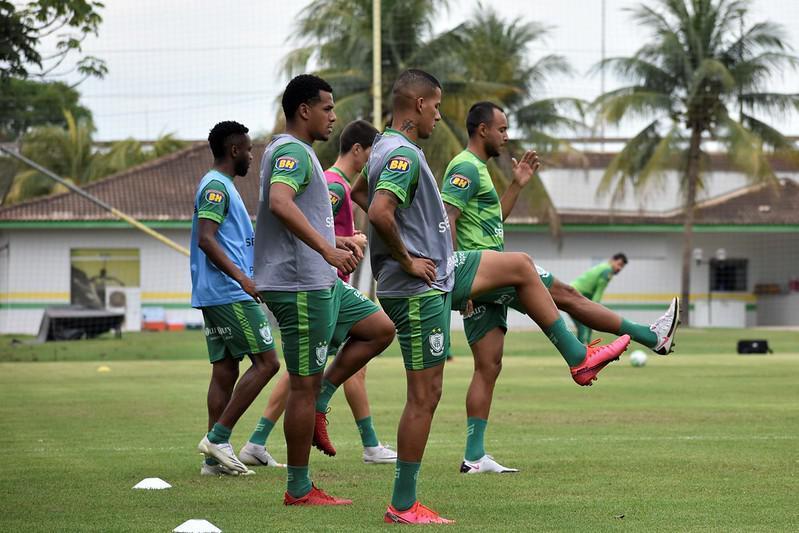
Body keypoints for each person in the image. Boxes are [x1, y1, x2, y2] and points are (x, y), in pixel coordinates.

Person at [353, 69, 631, 524]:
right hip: (420, 283)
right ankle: (402, 505)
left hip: (430, 274)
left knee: (519, 266)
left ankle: (579, 357)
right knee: (424, 396)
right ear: (419, 104)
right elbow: (381, 210)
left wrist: (408, 238)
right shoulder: (402, 153)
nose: (439, 115)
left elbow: (361, 191)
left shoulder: (382, 146)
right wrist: (408, 257)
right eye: (436, 105)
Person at [440, 102, 680, 474]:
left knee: (488, 366)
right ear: (482, 129)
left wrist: (517, 185)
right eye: (502, 129)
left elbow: (492, 221)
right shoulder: (465, 166)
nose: (507, 136)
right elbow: (447, 218)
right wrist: (461, 277)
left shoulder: (480, 169)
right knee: (567, 295)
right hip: (486, 272)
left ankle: (474, 457)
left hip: (485, 275)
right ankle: (649, 337)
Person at [254, 74, 395, 506]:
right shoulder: (293, 151)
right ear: (304, 110)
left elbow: (300, 214)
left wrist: (338, 241)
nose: (334, 117)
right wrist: (327, 250)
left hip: (320, 281)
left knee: (380, 329)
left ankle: (323, 398)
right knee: (302, 384)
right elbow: (280, 203)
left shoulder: (301, 153)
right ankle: (299, 488)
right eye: (328, 108)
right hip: (301, 286)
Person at [192, 121, 281, 476]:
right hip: (229, 292)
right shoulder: (216, 187)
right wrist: (243, 278)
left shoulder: (222, 185)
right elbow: (206, 238)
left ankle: (213, 462)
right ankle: (218, 438)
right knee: (268, 363)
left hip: (215, 292)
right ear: (234, 150)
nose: (251, 156)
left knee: (226, 370)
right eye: (247, 149)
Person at [570, 253, 632, 343]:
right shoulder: (607, 271)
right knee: (584, 326)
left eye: (622, 267)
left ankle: (585, 348)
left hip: (573, 293)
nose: (619, 268)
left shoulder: (603, 266)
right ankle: (583, 350)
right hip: (576, 295)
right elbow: (598, 294)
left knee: (586, 325)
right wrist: (595, 309)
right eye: (619, 264)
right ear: (612, 261)